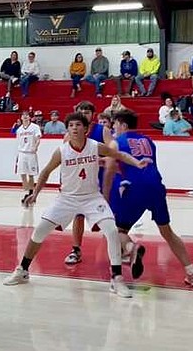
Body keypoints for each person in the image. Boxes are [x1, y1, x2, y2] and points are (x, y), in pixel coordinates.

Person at [2, 112, 151, 298]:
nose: (74, 128)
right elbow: (46, 172)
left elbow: (119, 154)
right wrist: (35, 193)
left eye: (78, 125)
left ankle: (117, 278)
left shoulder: (95, 146)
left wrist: (138, 163)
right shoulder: (61, 151)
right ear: (67, 129)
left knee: (112, 231)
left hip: (91, 197)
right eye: (71, 125)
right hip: (67, 198)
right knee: (39, 230)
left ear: (85, 129)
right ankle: (22, 269)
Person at [106, 109, 193, 287]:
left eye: (115, 125)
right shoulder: (149, 141)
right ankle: (191, 271)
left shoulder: (117, 142)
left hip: (133, 187)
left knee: (116, 230)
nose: (114, 128)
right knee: (167, 232)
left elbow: (111, 169)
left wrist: (105, 193)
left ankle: (131, 250)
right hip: (156, 186)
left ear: (123, 125)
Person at [61, 101, 114, 266]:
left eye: (87, 111)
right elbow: (64, 160)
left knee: (109, 218)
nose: (84, 113)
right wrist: (63, 182)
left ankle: (117, 250)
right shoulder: (70, 134)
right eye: (81, 110)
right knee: (78, 215)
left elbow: (114, 154)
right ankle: (76, 249)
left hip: (101, 179)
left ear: (92, 114)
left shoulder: (103, 130)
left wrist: (101, 160)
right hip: (79, 181)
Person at [12, 111, 42, 205]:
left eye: (27, 115)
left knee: (31, 174)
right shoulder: (19, 129)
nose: (25, 117)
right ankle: (26, 191)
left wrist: (36, 146)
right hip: (22, 153)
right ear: (21, 118)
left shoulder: (35, 127)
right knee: (22, 173)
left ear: (29, 117)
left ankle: (31, 192)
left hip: (31, 153)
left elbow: (38, 138)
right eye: (23, 115)